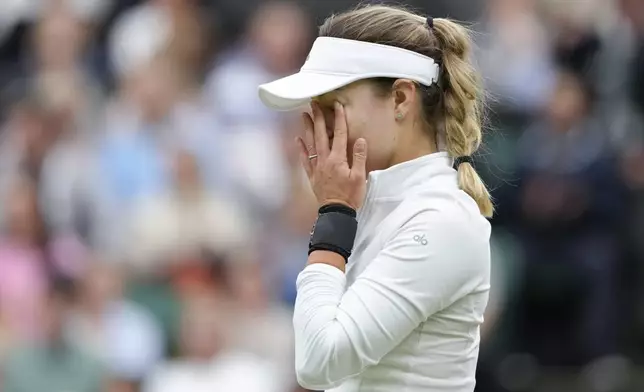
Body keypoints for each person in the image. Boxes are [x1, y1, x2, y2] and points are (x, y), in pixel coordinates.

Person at [257, 4, 492, 392]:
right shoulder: (366, 201)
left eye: (333, 108)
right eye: (313, 110)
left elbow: (319, 362)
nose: (319, 129)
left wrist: (333, 214)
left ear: (401, 99)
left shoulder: (442, 220)